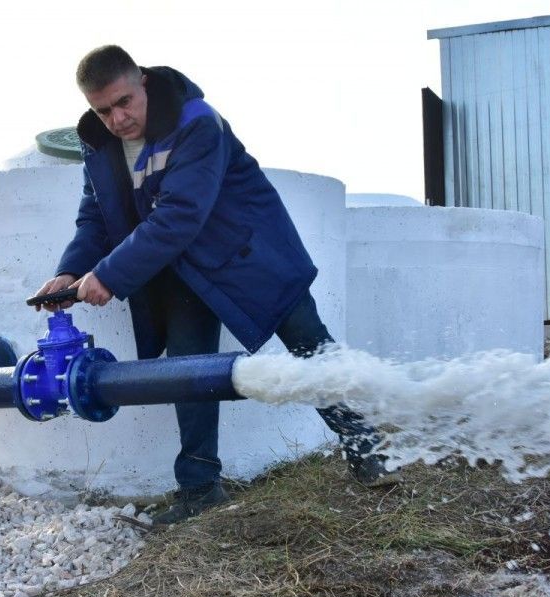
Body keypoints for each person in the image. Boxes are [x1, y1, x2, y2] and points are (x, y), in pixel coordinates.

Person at [32, 45, 401, 525]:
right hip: (184, 270)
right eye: (103, 110)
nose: (117, 119)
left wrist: (110, 275)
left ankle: (366, 447)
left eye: (125, 102)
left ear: (142, 80)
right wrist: (71, 270)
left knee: (311, 346)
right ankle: (200, 487)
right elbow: (96, 219)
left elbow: (180, 215)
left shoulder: (197, 122)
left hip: (251, 254)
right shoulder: (98, 145)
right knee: (189, 372)